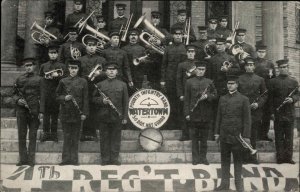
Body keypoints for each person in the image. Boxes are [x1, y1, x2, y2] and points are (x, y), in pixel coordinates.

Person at [214, 75, 251, 192]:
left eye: (232, 83)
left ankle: (238, 185)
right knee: (224, 161)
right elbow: (218, 116)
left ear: (237, 85)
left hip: (237, 136)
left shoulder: (244, 99)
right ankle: (224, 184)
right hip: (224, 134)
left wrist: (246, 136)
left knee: (238, 161)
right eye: (228, 83)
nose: (230, 85)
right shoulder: (222, 98)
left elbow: (247, 119)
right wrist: (217, 133)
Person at [92, 62, 129, 165]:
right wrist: (101, 101)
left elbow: (125, 102)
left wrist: (125, 116)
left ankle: (114, 159)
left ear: (117, 71)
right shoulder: (100, 84)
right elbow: (93, 99)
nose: (111, 71)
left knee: (116, 138)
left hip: (117, 116)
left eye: (113, 69)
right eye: (109, 69)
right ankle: (105, 159)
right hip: (103, 115)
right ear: (106, 71)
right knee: (104, 138)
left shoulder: (123, 85)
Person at [56, 60, 89, 166]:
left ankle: (74, 160)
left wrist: (84, 113)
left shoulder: (83, 81)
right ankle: (65, 159)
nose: (73, 70)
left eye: (75, 68)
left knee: (75, 137)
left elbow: (85, 99)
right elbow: (56, 96)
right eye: (71, 68)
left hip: (77, 113)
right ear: (69, 69)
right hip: (66, 113)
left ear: (78, 69)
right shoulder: (63, 81)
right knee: (66, 137)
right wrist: (64, 98)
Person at [184, 62, 217, 165]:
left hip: (206, 114)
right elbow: (187, 99)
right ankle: (195, 158)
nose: (201, 71)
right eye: (199, 69)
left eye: (203, 69)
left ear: (205, 70)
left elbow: (215, 95)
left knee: (204, 139)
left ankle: (203, 158)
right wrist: (187, 113)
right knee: (194, 139)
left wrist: (207, 96)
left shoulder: (209, 82)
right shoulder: (189, 82)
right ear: (195, 70)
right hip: (194, 113)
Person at [208, 38, 240, 140]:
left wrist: (228, 70)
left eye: (221, 45)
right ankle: (214, 134)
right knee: (214, 111)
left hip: (227, 88)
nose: (219, 46)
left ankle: (226, 134)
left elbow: (238, 70)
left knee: (227, 111)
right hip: (216, 89)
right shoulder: (212, 59)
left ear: (225, 46)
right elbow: (209, 75)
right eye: (217, 45)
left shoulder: (231, 57)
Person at [269, 59, 299, 164]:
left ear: (288, 68)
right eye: (281, 67)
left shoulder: (293, 81)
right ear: (278, 69)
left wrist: (292, 99)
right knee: (279, 136)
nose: (283, 69)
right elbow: (270, 99)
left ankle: (288, 157)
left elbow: (297, 94)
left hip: (290, 112)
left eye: (285, 67)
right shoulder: (273, 82)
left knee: (289, 137)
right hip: (278, 113)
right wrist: (272, 113)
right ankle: (280, 158)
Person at [12, 58, 42, 166]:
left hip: (33, 110)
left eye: (30, 65)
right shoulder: (19, 79)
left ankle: (31, 160)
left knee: (33, 135)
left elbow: (42, 96)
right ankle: (22, 159)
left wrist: (41, 111)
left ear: (34, 66)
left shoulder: (39, 79)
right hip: (21, 110)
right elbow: (14, 93)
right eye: (26, 66)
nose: (28, 67)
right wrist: (17, 100)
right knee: (22, 134)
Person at [238, 57, 267, 164]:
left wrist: (258, 104)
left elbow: (265, 95)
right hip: (243, 111)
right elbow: (237, 94)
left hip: (255, 111)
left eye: (251, 65)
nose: (249, 67)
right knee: (243, 134)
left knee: (253, 135)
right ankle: (244, 157)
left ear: (254, 66)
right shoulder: (239, 79)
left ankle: (253, 157)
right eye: (247, 65)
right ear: (245, 67)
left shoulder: (260, 79)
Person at [79, 36, 107, 141]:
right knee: (85, 109)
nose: (91, 48)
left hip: (97, 87)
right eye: (89, 45)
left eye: (93, 46)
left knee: (95, 110)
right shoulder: (80, 59)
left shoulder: (102, 60)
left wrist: (99, 73)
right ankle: (84, 133)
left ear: (96, 47)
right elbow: (78, 74)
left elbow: (107, 73)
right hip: (84, 87)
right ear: (86, 47)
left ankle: (93, 133)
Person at [39, 42, 66, 142]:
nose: (53, 55)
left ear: (57, 54)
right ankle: (46, 133)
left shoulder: (62, 66)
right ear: (48, 54)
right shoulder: (43, 66)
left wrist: (57, 76)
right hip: (46, 92)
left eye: (55, 53)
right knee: (46, 115)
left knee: (55, 114)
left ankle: (54, 134)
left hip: (57, 92)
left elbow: (65, 79)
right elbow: (41, 78)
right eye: (51, 53)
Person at [160, 27, 186, 130]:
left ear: (182, 36)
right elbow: (163, 65)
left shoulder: (185, 48)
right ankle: (170, 124)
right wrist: (163, 80)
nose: (178, 36)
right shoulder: (168, 49)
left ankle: (180, 125)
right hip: (170, 78)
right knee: (170, 101)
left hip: (181, 80)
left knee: (181, 102)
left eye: (180, 34)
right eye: (176, 34)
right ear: (173, 36)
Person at [144, 11, 172, 90]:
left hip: (160, 57)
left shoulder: (163, 30)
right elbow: (143, 42)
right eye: (153, 18)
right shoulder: (147, 30)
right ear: (151, 19)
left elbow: (170, 37)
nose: (155, 20)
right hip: (150, 57)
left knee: (159, 76)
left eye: (157, 18)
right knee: (150, 77)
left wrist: (161, 41)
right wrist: (148, 44)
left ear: (159, 20)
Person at [254, 44, 276, 141]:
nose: (261, 54)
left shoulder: (270, 64)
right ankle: (256, 134)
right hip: (256, 91)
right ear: (256, 52)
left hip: (266, 91)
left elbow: (273, 78)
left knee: (266, 114)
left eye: (263, 52)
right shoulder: (253, 63)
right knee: (257, 114)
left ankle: (264, 134)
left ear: (265, 53)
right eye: (259, 52)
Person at [176, 44, 198, 140]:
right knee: (185, 113)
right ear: (186, 53)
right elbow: (178, 80)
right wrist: (180, 94)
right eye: (189, 52)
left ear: (195, 53)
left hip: (196, 92)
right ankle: (185, 134)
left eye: (192, 52)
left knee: (196, 113)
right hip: (185, 92)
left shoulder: (198, 64)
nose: (190, 54)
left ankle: (195, 135)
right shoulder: (181, 65)